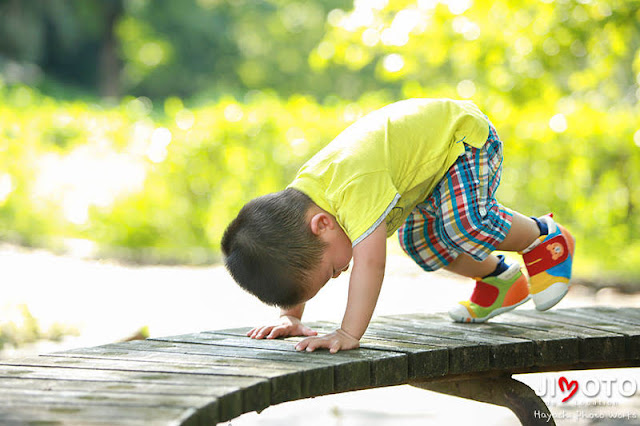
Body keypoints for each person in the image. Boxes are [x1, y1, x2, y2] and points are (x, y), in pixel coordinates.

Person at [221, 98, 575, 354]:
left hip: (460, 139)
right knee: (420, 244)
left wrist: (348, 332)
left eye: (331, 270)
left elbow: (371, 264)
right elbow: (293, 257)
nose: (340, 272)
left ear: (323, 225)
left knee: (464, 223)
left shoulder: (353, 187)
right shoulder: (310, 208)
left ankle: (544, 238)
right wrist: (291, 317)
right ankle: (499, 279)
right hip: (428, 175)